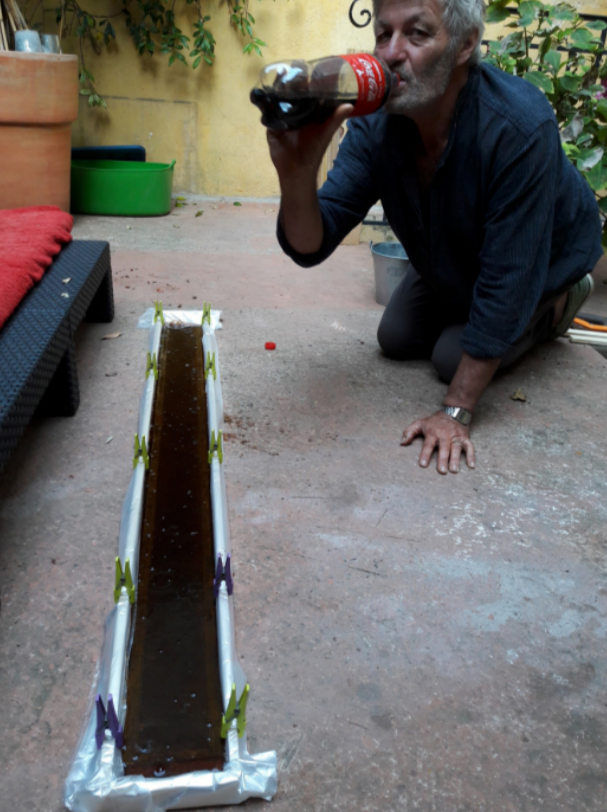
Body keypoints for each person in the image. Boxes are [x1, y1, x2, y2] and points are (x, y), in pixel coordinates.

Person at [264, 0, 603, 475]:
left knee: (450, 358)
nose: (391, 53)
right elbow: (310, 245)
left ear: (465, 44)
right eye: (383, 34)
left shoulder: (518, 127)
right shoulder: (375, 122)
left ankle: (559, 301)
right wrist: (296, 174)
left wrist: (455, 411)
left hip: (539, 259)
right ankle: (462, 293)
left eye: (417, 34)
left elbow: (508, 278)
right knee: (396, 336)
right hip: (454, 250)